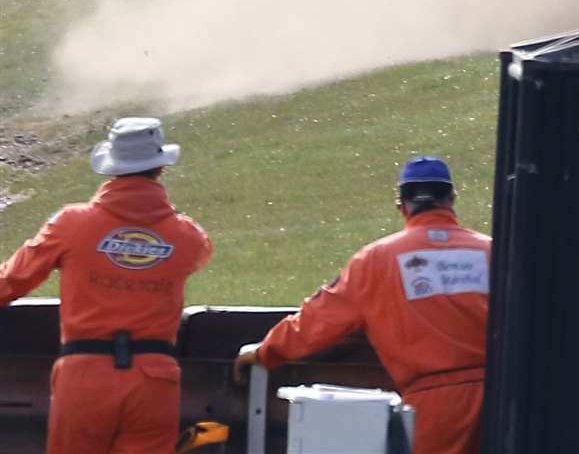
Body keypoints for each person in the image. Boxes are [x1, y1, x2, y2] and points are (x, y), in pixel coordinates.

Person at [233, 157, 491, 454]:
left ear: (402, 205)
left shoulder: (375, 259)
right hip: (506, 396)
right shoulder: (492, 250)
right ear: (451, 200)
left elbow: (318, 319)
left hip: (434, 408)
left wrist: (267, 351)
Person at [0, 117, 213, 454]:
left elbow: (10, 281)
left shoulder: (71, 223)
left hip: (85, 377)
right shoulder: (186, 236)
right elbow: (198, 254)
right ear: (160, 169)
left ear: (111, 167)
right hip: (155, 380)